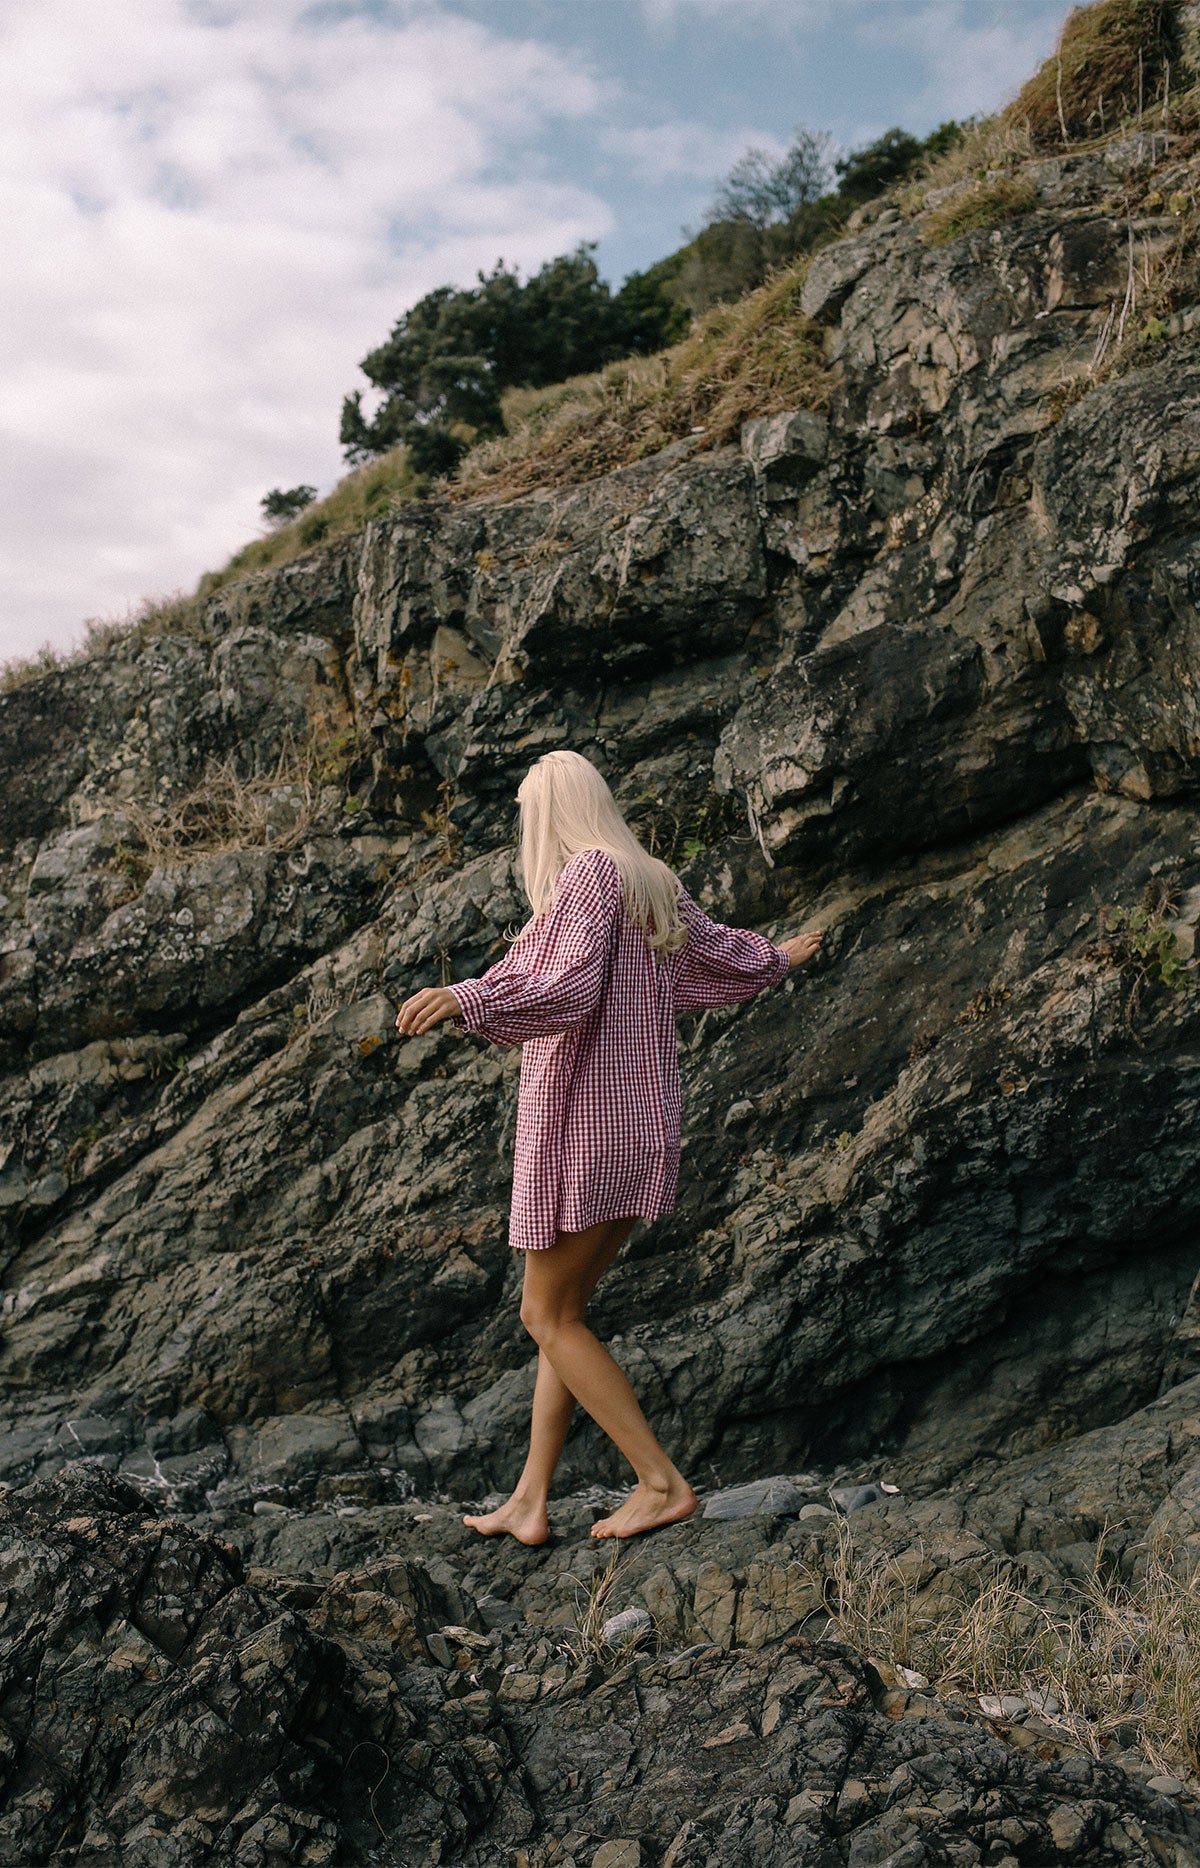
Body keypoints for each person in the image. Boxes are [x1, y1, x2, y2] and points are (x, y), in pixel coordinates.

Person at [395, 750, 824, 1545]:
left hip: (589, 1130)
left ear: (548, 810)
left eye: (530, 811)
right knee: (564, 1313)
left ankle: (659, 1482)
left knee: (542, 1313)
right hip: (641, 1126)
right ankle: (529, 1499)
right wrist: (781, 957)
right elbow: (722, 955)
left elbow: (566, 987)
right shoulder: (647, 877)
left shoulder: (589, 876)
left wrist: (466, 996)